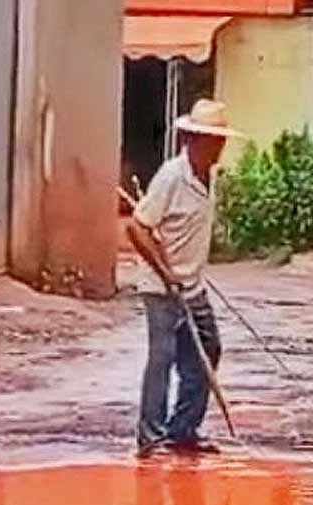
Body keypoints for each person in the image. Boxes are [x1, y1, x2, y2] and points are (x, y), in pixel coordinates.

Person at [126, 99, 242, 453]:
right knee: (161, 358)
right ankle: (151, 437)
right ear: (192, 140)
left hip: (194, 286)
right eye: (212, 140)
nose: (219, 147)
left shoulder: (209, 175)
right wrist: (166, 273)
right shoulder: (171, 177)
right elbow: (138, 227)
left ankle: (183, 429)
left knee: (208, 350)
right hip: (161, 288)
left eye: (221, 140)